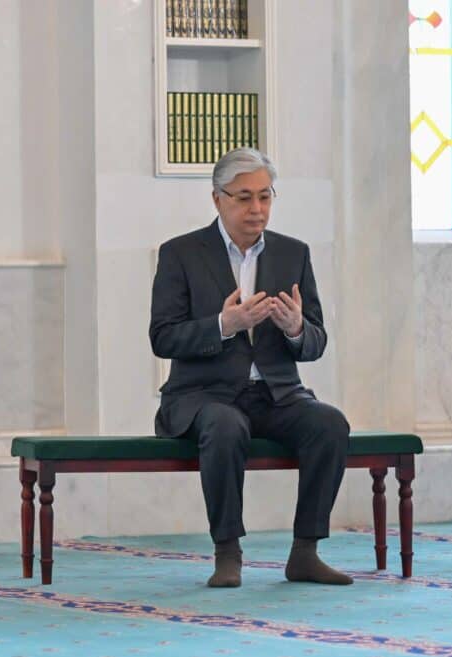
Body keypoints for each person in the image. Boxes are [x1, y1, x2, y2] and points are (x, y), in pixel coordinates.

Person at [150, 147, 352, 589]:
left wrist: (296, 328)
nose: (256, 208)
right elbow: (162, 337)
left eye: (265, 196)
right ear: (217, 199)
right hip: (204, 396)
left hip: (276, 395)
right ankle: (228, 553)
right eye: (244, 198)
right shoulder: (180, 254)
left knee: (330, 424)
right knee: (225, 426)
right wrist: (224, 325)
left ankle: (305, 552)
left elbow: (315, 342)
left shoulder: (293, 254)